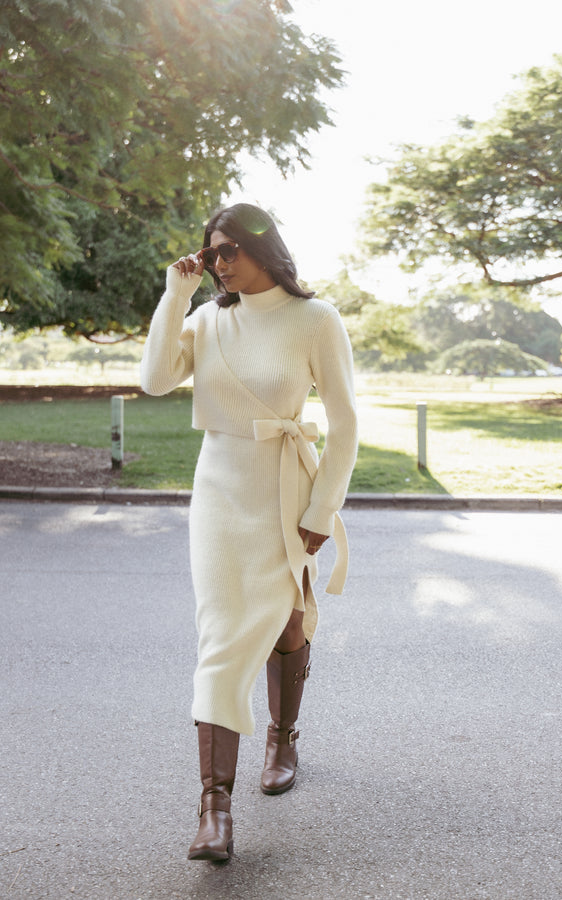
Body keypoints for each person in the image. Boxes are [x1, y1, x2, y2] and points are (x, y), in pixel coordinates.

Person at [141, 203, 358, 861]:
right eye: (210, 253)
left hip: (286, 488)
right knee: (221, 636)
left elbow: (345, 423)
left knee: (286, 621)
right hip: (219, 491)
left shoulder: (316, 319)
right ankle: (215, 811)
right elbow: (154, 380)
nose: (218, 263)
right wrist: (175, 296)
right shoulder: (208, 319)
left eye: (229, 249)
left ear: (265, 247)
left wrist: (320, 512)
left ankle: (283, 737)